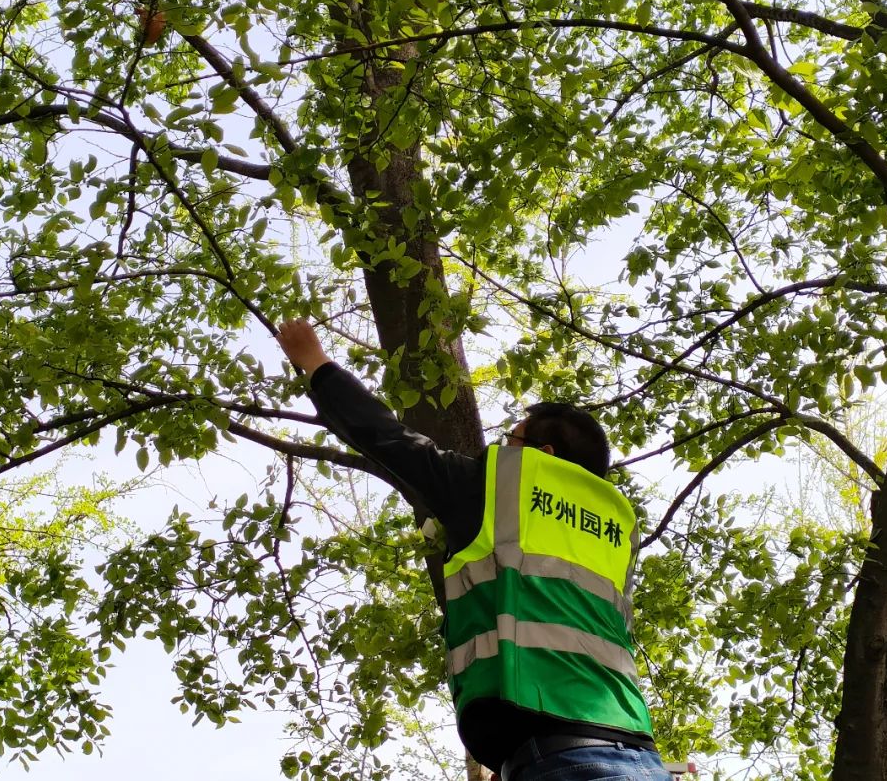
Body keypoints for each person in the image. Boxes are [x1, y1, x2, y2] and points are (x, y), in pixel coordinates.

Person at [276, 319, 672, 781]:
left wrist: (314, 362)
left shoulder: (503, 488)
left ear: (542, 452)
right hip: (639, 752)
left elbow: (388, 438)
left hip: (560, 757)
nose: (502, 450)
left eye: (513, 439)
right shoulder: (615, 526)